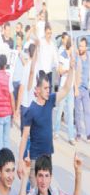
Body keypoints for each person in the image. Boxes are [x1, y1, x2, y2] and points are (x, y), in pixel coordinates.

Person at [17, 56, 74, 187]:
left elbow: (65, 89)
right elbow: (25, 137)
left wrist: (71, 69)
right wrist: (20, 160)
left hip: (48, 157)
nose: (48, 91)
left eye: (49, 88)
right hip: (35, 160)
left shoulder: (50, 101)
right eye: (45, 88)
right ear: (37, 90)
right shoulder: (31, 110)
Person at [17, 154, 82, 195]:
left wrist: (78, 172)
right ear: (36, 176)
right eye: (40, 175)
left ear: (51, 177)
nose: (43, 181)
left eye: (47, 176)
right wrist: (25, 176)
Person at [54, 38, 75, 145]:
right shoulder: (62, 54)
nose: (74, 49)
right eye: (73, 46)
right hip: (63, 87)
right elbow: (60, 70)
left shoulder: (73, 57)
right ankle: (56, 131)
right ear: (70, 46)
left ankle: (71, 136)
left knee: (70, 113)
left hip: (70, 88)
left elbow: (76, 73)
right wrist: (69, 69)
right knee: (59, 110)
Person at [0, 54, 15, 150]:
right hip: (7, 113)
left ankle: (0, 163)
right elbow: (11, 97)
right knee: (6, 140)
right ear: (5, 65)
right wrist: (14, 112)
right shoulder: (8, 77)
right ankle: (7, 162)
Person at [74, 37, 90, 142]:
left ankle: (88, 134)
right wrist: (75, 88)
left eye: (82, 46)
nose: (80, 48)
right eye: (79, 45)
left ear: (86, 47)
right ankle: (79, 133)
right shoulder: (76, 58)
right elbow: (74, 74)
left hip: (85, 89)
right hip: (77, 88)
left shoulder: (89, 57)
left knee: (87, 111)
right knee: (78, 112)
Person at [37, 23, 58, 93]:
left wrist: (58, 67)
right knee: (41, 91)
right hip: (42, 72)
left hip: (49, 72)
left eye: (50, 33)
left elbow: (55, 58)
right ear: (45, 33)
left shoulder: (52, 44)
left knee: (48, 91)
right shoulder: (41, 42)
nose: (49, 35)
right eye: (48, 33)